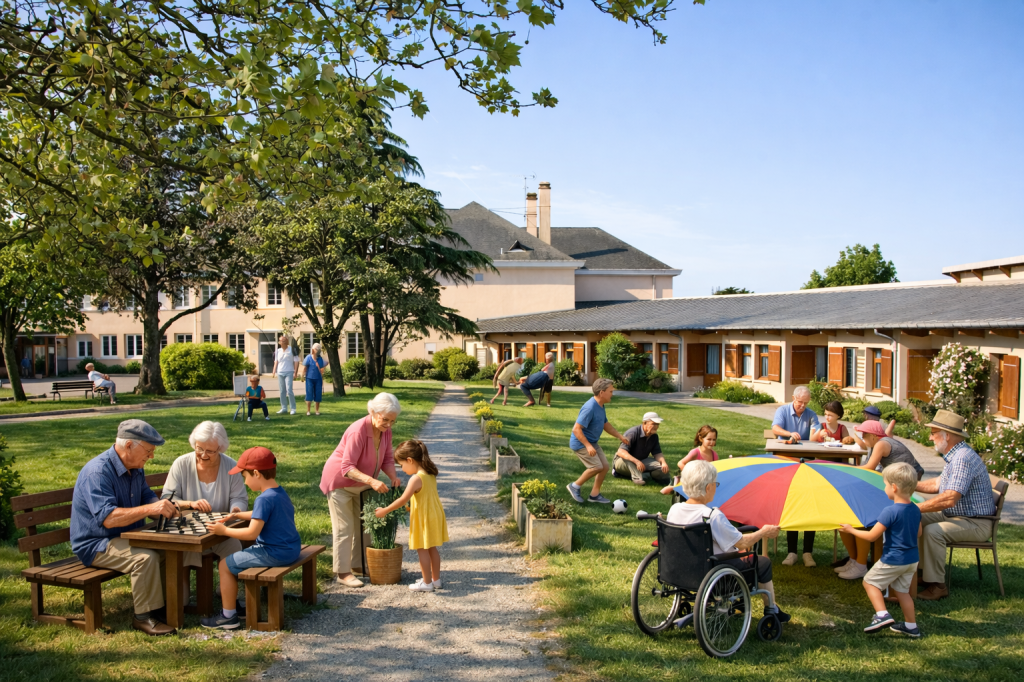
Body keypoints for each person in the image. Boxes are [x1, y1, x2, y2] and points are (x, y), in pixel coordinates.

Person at [70, 419, 178, 635]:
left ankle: (165, 608)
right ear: (129, 445)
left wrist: (162, 507)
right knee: (145, 558)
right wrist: (150, 510)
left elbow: (146, 495)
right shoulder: (98, 472)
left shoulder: (135, 467)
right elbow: (108, 518)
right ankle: (144, 618)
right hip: (97, 544)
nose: (152, 456)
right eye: (148, 451)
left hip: (127, 536)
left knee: (168, 550)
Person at [667, 460, 789, 624]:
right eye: (715, 484)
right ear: (708, 487)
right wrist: (763, 532)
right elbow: (742, 544)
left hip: (680, 571)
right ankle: (771, 609)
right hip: (715, 574)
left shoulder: (675, 509)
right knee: (763, 562)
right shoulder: (712, 516)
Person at [200, 447, 302, 629]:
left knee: (224, 565)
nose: (245, 482)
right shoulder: (278, 492)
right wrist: (237, 516)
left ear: (256, 473)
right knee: (233, 560)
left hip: (275, 553)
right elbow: (260, 514)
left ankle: (228, 616)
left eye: (245, 476)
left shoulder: (263, 499)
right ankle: (231, 609)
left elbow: (251, 534)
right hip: (291, 549)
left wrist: (224, 531)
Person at [320, 392, 402, 587]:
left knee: (365, 526)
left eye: (392, 421)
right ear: (373, 412)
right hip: (340, 482)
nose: (389, 425)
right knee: (344, 528)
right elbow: (347, 467)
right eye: (385, 420)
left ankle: (359, 566)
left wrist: (393, 477)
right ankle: (343, 573)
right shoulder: (358, 431)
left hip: (362, 483)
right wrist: (372, 481)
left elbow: (388, 458)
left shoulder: (385, 430)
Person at [915, 410, 995, 601]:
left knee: (933, 530)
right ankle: (924, 574)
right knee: (914, 518)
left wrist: (915, 507)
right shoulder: (956, 455)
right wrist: (908, 485)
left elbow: (949, 498)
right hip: (959, 516)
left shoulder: (962, 458)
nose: (930, 437)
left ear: (947, 436)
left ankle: (938, 585)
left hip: (976, 523)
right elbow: (937, 485)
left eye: (933, 433)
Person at [840, 462, 923, 637]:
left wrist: (850, 530)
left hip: (894, 559)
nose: (885, 488)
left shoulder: (890, 511)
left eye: (885, 485)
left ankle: (882, 615)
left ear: (894, 487)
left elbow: (871, 537)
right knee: (902, 592)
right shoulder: (916, 509)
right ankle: (911, 626)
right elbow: (919, 533)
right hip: (911, 560)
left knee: (869, 582)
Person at [837, 420, 925, 580]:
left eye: (864, 435)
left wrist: (845, 468)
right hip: (898, 484)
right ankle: (855, 560)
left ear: (873, 436)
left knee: (861, 514)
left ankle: (860, 564)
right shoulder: (880, 443)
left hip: (903, 486)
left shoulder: (881, 444)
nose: (862, 439)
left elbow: (869, 467)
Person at [161, 422, 248, 576]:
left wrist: (236, 509)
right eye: (199, 448)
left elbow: (239, 497)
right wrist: (190, 504)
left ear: (220, 448)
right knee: (183, 548)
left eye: (210, 451)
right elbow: (167, 499)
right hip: (188, 531)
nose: (203, 455)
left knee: (233, 545)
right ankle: (183, 598)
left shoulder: (231, 466)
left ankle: (225, 593)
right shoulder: (181, 464)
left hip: (220, 532)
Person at [375, 440, 449, 592]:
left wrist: (385, 510)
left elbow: (402, 499)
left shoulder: (416, 478)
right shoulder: (429, 474)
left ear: (410, 460)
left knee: (422, 550)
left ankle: (426, 584)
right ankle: (436, 581)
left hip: (423, 520)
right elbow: (424, 497)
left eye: (401, 465)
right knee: (432, 549)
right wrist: (411, 508)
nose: (402, 468)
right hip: (434, 515)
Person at [772, 386, 820, 567]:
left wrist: (819, 433)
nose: (802, 406)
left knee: (810, 506)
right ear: (793, 398)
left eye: (806, 403)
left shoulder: (811, 414)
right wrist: (789, 433)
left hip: (808, 463)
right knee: (791, 504)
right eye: (800, 402)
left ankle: (808, 552)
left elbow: (817, 432)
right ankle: (792, 552)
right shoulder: (783, 410)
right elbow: (775, 428)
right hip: (787, 463)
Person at [566, 378, 629, 504]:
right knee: (596, 466)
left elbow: (605, 424)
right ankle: (574, 486)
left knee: (605, 467)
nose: (612, 394)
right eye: (611, 391)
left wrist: (619, 436)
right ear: (602, 392)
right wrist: (588, 446)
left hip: (592, 442)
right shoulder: (590, 407)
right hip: (581, 443)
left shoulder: (600, 405)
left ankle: (594, 495)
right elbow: (576, 429)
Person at [613, 412, 670, 486]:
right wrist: (637, 462)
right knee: (629, 460)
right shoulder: (633, 433)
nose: (656, 427)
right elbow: (621, 452)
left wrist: (663, 463)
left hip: (641, 460)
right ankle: (637, 478)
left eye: (657, 424)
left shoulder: (654, 436)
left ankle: (654, 477)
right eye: (653, 424)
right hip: (622, 461)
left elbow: (657, 453)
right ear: (644, 423)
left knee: (661, 467)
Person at [271, 335, 297, 415]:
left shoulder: (292, 349)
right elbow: (276, 362)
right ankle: (284, 408)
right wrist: (274, 371)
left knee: (289, 390)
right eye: (280, 340)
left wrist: (295, 372)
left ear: (286, 342)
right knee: (282, 391)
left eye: (282, 340)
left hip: (289, 371)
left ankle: (293, 408)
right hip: (280, 372)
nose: (281, 342)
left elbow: (296, 361)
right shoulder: (278, 351)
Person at [300, 342, 327, 416]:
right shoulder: (308, 357)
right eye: (316, 348)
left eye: (318, 349)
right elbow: (305, 368)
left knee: (318, 394)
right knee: (309, 394)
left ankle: (317, 410)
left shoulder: (320, 359)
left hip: (318, 379)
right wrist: (302, 376)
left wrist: (322, 372)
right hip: (309, 378)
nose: (317, 350)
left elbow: (322, 368)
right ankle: (308, 410)